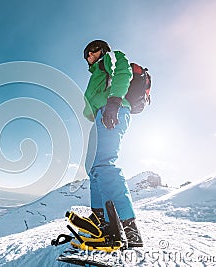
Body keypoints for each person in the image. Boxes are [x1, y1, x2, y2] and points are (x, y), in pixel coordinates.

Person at [83, 39, 143, 247]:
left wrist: (114, 102)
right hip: (102, 114)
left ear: (102, 50)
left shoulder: (111, 57)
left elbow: (123, 72)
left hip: (113, 111)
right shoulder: (97, 74)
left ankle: (126, 229)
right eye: (87, 55)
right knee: (92, 167)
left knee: (104, 164)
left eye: (92, 51)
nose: (90, 56)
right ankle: (100, 221)